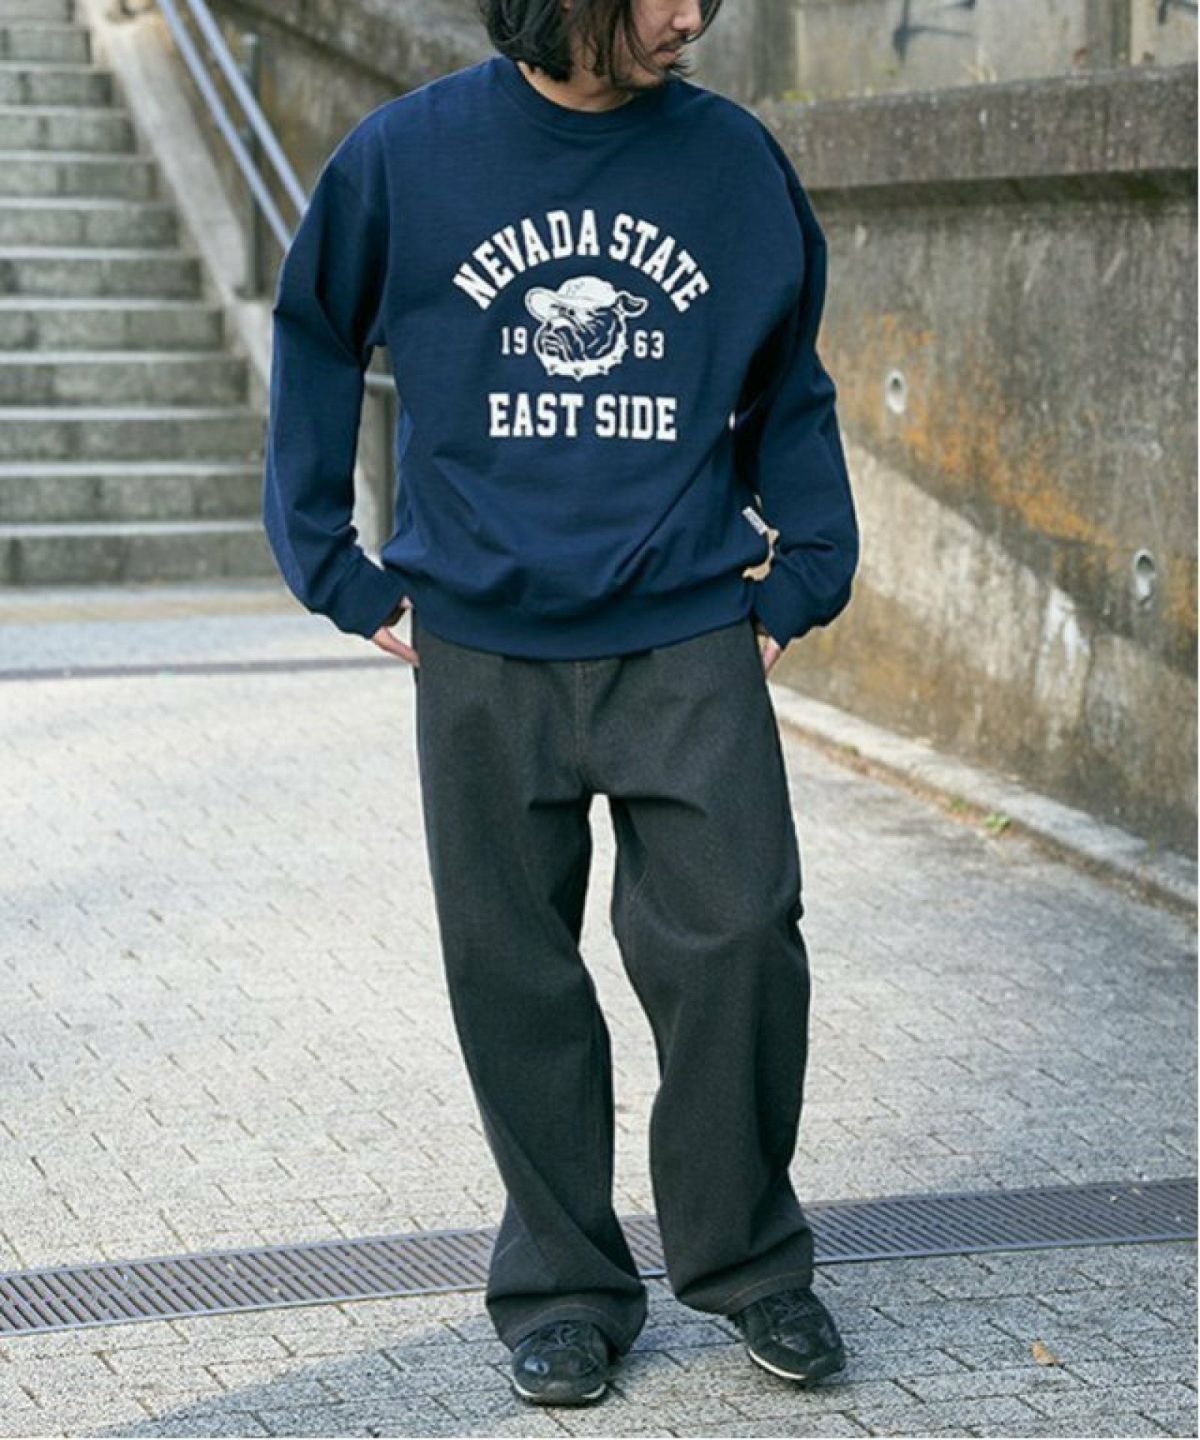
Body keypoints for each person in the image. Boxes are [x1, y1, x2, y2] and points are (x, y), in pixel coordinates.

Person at [262, 0, 860, 1409]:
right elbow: (315, 337)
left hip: (686, 632)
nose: (689, 12)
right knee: (513, 972)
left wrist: (807, 567)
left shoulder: (731, 161)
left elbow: (788, 376)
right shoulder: (406, 157)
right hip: (481, 644)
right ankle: (565, 1290)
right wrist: (332, 566)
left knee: (740, 938)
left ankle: (750, 1260)